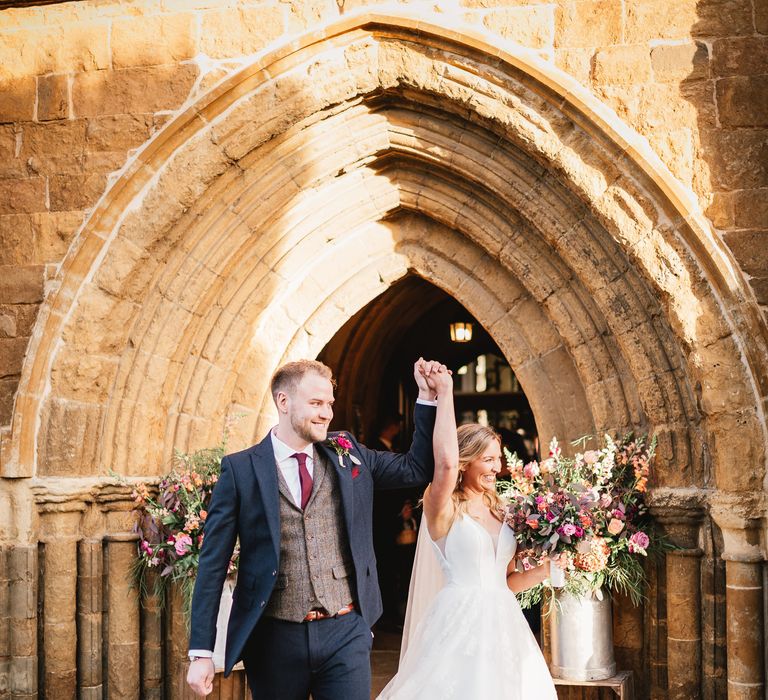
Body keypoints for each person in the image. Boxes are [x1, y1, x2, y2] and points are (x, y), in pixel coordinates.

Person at [186, 357, 445, 700]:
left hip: (346, 631)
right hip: (274, 639)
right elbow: (213, 562)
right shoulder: (241, 470)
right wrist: (201, 652)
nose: (327, 413)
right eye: (316, 403)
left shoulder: (346, 451)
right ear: (283, 402)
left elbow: (415, 468)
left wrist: (427, 397)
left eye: (329, 404)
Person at [378, 366, 561, 699]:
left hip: (506, 627)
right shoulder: (442, 507)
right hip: (457, 626)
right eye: (487, 460)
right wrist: (444, 394)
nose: (496, 468)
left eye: (498, 460)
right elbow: (444, 463)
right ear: (465, 462)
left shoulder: (504, 510)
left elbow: (506, 581)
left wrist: (550, 568)